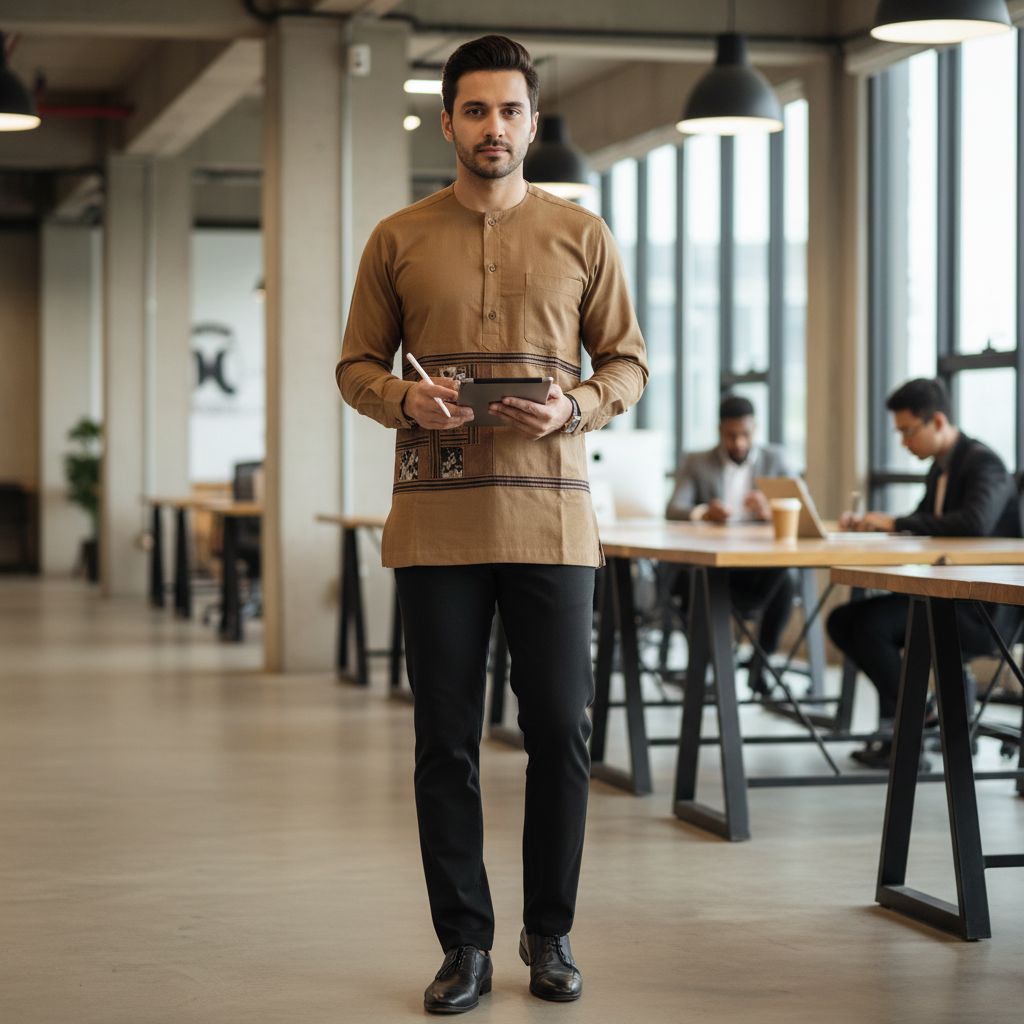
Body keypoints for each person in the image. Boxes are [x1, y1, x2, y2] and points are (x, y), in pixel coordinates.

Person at [336, 35, 647, 1015]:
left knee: (560, 729)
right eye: (476, 111)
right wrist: (401, 400)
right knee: (445, 740)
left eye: (510, 111)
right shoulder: (397, 236)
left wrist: (578, 407)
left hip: (553, 524)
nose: (494, 127)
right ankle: (463, 942)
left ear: (532, 122)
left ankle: (547, 932)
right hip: (435, 528)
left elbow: (628, 363)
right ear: (447, 123)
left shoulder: (581, 235)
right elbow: (353, 366)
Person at [827, 377, 1021, 768]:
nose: (903, 442)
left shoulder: (984, 463)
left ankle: (920, 723)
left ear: (937, 422)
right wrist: (880, 525)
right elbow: (927, 521)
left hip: (982, 609)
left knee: (870, 627)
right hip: (949, 593)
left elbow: (974, 523)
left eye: (907, 431)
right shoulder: (941, 469)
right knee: (846, 620)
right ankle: (913, 724)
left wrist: (896, 523)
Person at [665, 394, 796, 695]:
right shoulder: (697, 462)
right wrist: (704, 512)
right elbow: (674, 508)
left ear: (756, 430)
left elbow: (799, 509)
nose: (738, 443)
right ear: (720, 431)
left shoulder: (775, 460)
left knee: (786, 581)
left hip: (759, 564)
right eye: (731, 435)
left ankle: (760, 666)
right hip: (713, 562)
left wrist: (769, 511)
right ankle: (712, 664)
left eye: (745, 435)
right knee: (684, 582)